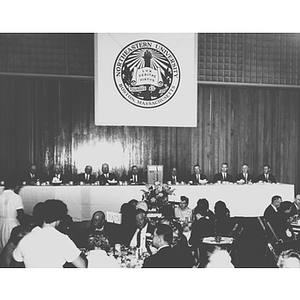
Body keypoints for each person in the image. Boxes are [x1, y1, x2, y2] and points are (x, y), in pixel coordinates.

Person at [12, 199, 86, 268]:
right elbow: (82, 265)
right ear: (59, 219)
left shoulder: (26, 239)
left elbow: (16, 262)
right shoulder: (62, 239)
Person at [0, 178, 24, 252]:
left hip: (1, 223)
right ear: (16, 186)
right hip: (12, 225)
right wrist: (24, 226)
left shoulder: (0, 196)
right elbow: (20, 215)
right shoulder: (16, 197)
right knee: (12, 248)